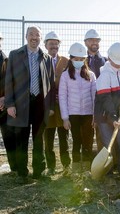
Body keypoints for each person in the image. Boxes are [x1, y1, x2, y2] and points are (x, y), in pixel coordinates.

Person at [5, 26, 55, 183]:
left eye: (37, 35)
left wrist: (51, 106)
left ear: (41, 38)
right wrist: (10, 104)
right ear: (26, 36)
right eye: (31, 34)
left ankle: (38, 172)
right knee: (22, 140)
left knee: (39, 140)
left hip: (40, 104)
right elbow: (9, 81)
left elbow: (52, 84)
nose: (34, 37)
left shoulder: (46, 58)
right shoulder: (15, 55)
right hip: (21, 104)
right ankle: (22, 173)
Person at [94, 42, 120, 181]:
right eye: (117, 62)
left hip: (118, 115)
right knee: (107, 145)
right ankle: (108, 174)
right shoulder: (104, 75)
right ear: (110, 59)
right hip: (104, 116)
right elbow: (105, 99)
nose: (119, 65)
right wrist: (113, 117)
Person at [59, 42, 96, 175]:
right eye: (76, 59)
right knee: (76, 141)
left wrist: (94, 116)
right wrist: (65, 118)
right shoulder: (65, 75)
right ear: (71, 59)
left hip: (88, 114)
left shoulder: (91, 75)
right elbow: (62, 97)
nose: (79, 62)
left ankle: (86, 167)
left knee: (88, 140)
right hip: (73, 114)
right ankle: (75, 166)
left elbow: (94, 96)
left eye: (81, 59)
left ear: (85, 59)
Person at [43, 31, 71, 176]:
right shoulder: (40, 60)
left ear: (59, 45)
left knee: (63, 137)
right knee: (48, 138)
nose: (54, 46)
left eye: (56, 43)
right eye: (51, 43)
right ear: (45, 45)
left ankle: (66, 166)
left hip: (62, 106)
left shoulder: (65, 61)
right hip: (47, 106)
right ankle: (51, 167)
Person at [84, 29, 107, 155]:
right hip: (85, 102)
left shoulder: (105, 61)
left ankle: (102, 161)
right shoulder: (80, 60)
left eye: (97, 40)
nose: (95, 43)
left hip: (101, 103)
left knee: (101, 133)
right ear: (86, 42)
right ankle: (87, 162)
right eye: (92, 40)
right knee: (86, 133)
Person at [0, 32, 16, 174]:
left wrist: (5, 97)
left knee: (8, 137)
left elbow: (11, 81)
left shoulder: (6, 59)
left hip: (3, 106)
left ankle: (14, 167)